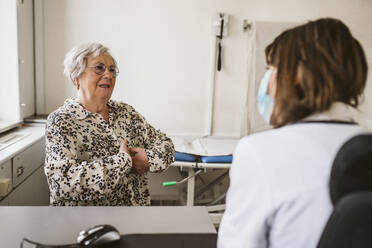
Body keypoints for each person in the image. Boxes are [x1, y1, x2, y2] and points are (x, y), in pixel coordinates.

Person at [218, 18, 369, 248]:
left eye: (272, 70)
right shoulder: (365, 145)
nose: (267, 81)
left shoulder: (259, 151)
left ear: (296, 75)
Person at [44, 43, 175, 206]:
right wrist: (122, 162)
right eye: (99, 68)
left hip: (135, 216)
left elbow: (166, 146)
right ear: (76, 77)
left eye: (112, 70)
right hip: (86, 224)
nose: (108, 75)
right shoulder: (62, 120)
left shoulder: (126, 112)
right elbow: (62, 183)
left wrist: (149, 159)